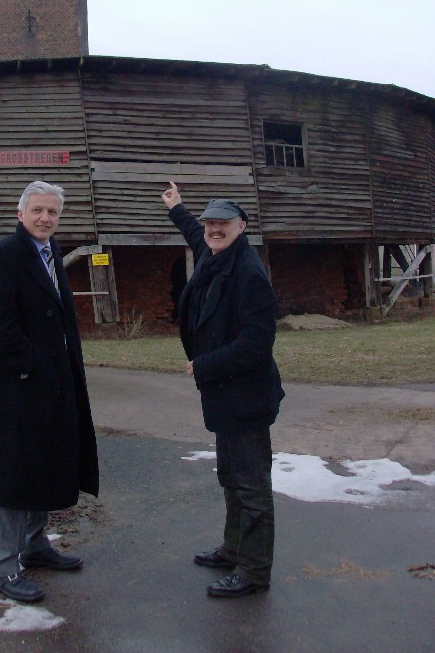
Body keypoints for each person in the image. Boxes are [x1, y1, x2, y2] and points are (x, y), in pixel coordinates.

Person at [161, 181, 284, 598]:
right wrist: (178, 208)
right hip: (224, 395)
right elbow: (197, 236)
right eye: (210, 223)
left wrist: (204, 365)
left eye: (222, 224)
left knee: (250, 485)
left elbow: (256, 343)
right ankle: (234, 549)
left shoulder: (248, 273)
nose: (213, 230)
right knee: (231, 477)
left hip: (245, 397)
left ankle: (253, 570)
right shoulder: (216, 257)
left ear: (241, 226)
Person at [0, 180, 99, 603]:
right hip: (18, 389)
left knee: (45, 464)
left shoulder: (49, 253)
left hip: (55, 385)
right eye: (38, 211)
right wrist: (32, 368)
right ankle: (2, 567)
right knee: (13, 475)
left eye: (52, 212)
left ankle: (34, 545)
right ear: (21, 214)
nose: (45, 218)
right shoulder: (6, 255)